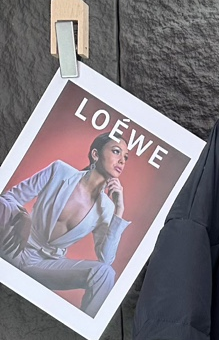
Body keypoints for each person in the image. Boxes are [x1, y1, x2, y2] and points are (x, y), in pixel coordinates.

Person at [0, 134, 131, 316]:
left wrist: (119, 210)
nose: (122, 161)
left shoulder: (107, 208)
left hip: (46, 265)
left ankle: (83, 327)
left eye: (125, 157)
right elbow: (8, 198)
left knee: (105, 273)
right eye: (116, 151)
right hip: (14, 245)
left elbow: (106, 258)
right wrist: (23, 218)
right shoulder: (60, 171)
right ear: (95, 154)